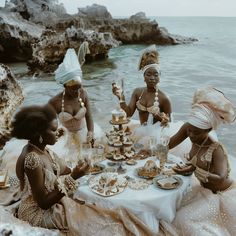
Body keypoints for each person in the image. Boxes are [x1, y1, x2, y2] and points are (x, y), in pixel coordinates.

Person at [11, 104, 157, 235]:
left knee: (98, 211)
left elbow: (62, 169)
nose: (59, 132)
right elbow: (43, 204)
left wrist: (78, 168)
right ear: (39, 135)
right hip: (37, 213)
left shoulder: (42, 149)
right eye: (54, 130)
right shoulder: (32, 159)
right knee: (98, 223)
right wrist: (73, 177)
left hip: (51, 201)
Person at [163, 86, 236, 235]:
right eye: (189, 129)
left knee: (184, 220)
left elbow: (220, 180)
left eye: (195, 133)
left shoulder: (216, 150)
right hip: (203, 188)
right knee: (169, 210)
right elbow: (168, 145)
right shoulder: (190, 129)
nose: (190, 134)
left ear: (208, 130)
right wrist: (154, 152)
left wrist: (194, 169)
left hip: (220, 193)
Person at [112, 45, 190, 155]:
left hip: (157, 134)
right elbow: (128, 113)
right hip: (141, 131)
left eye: (155, 74)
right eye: (148, 74)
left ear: (160, 76)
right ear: (143, 76)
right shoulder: (138, 92)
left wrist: (160, 117)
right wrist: (120, 97)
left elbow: (168, 125)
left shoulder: (164, 98)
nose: (152, 78)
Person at [48, 48, 102, 164]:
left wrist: (91, 132)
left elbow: (89, 116)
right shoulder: (55, 101)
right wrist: (57, 133)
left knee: (94, 158)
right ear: (65, 86)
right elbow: (48, 125)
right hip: (65, 137)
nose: (78, 92)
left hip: (83, 132)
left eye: (79, 87)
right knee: (64, 162)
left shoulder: (83, 93)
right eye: (73, 89)